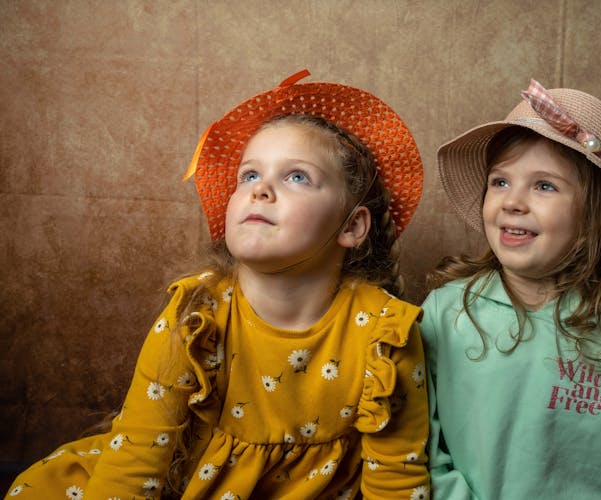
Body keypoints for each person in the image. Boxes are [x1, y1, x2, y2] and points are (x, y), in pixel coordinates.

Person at [6, 70, 430, 500]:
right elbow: (136, 458)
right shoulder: (197, 313)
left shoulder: (385, 334)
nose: (260, 190)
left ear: (352, 225)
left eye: (296, 176)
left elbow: (397, 478)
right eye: (249, 176)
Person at [421, 79, 601, 499]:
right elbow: (419, 449)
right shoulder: (445, 312)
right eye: (500, 182)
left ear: (597, 216)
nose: (512, 201)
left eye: (544, 185)